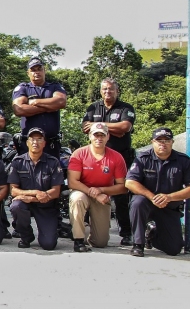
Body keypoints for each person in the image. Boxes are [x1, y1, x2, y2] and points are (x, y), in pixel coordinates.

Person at [82, 77, 137, 246]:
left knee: (121, 196)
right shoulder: (93, 107)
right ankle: (84, 230)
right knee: (91, 191)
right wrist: (113, 128)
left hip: (120, 158)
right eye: (105, 89)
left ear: (117, 91)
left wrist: (97, 125)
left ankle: (126, 233)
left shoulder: (126, 108)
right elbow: (85, 127)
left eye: (111, 89)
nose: (108, 92)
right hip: (96, 158)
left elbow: (125, 127)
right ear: (100, 91)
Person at [125, 128, 190, 257]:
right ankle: (138, 244)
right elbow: (130, 182)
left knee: (174, 249)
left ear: (172, 142)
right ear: (152, 142)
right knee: (137, 203)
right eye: (159, 140)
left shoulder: (183, 161)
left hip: (169, 207)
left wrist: (169, 197)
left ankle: (151, 235)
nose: (163, 143)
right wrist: (152, 197)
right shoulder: (143, 158)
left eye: (167, 140)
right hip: (146, 203)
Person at [66, 122, 127, 252]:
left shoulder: (117, 157)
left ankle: (85, 229)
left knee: (100, 242)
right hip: (82, 191)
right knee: (77, 198)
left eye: (102, 135)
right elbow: (72, 182)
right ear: (90, 136)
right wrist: (93, 192)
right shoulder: (79, 154)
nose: (99, 138)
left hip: (102, 195)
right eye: (96, 135)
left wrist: (101, 190)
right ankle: (78, 240)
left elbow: (122, 187)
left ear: (108, 137)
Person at [8, 127, 64, 250]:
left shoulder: (53, 162)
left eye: (39, 139)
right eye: (32, 139)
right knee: (16, 206)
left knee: (48, 245)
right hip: (25, 204)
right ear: (27, 142)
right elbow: (13, 190)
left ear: (44, 143)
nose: (35, 142)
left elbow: (56, 192)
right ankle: (26, 236)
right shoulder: (18, 162)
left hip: (46, 205)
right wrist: (36, 192)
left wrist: (33, 199)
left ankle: (48, 232)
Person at [12, 56, 67, 158]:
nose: (37, 72)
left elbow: (61, 102)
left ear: (44, 70)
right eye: (33, 70)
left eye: (39, 69)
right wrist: (49, 107)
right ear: (28, 73)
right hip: (29, 144)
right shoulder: (23, 88)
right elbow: (19, 109)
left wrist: (35, 102)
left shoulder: (55, 86)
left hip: (51, 144)